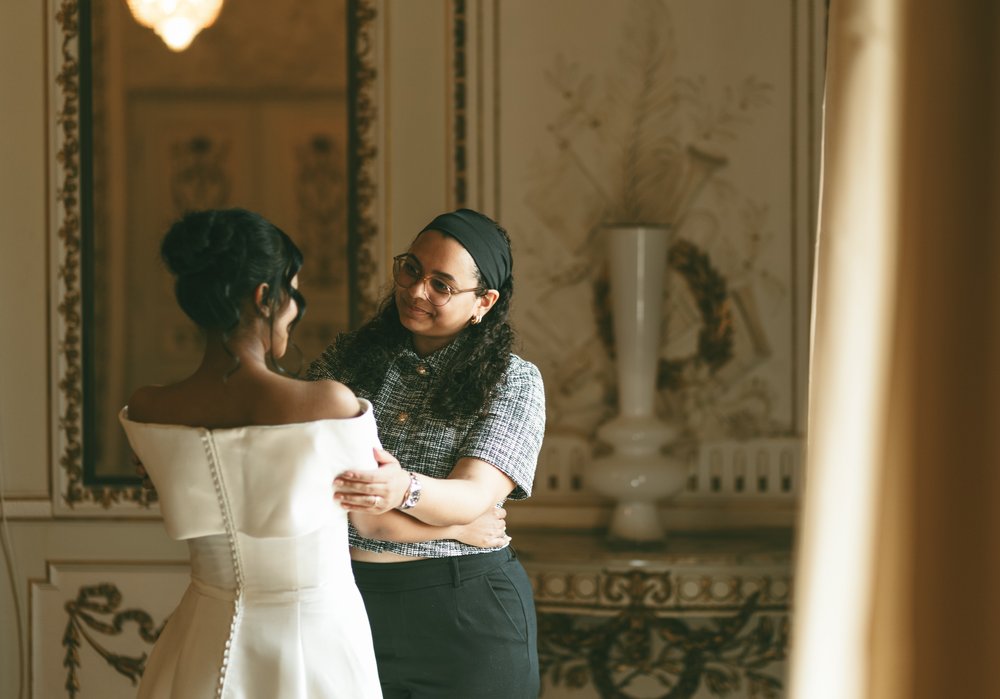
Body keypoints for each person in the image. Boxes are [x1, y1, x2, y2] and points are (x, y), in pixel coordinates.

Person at [120, 208, 507, 699]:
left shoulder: (150, 407)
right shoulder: (327, 401)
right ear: (267, 298)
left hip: (199, 631)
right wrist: (458, 526)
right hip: (309, 638)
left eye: (441, 283)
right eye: (293, 293)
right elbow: (364, 518)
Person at [307, 208, 546, 699]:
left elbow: (472, 495)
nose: (417, 290)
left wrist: (403, 489)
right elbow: (312, 491)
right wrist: (454, 527)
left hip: (465, 613)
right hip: (346, 604)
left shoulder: (514, 381)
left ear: (484, 301)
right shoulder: (345, 360)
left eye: (442, 284)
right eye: (411, 269)